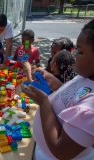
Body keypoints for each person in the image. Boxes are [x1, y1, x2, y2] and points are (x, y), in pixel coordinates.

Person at [21, 19, 94, 160]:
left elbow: (61, 151)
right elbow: (72, 97)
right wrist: (53, 81)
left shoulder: (92, 108)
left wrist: (44, 102)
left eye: (81, 52)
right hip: (42, 151)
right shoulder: (86, 76)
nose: (75, 56)